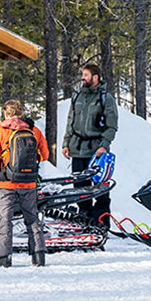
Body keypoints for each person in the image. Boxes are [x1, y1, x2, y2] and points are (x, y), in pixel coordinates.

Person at [0, 99, 49, 268]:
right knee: (32, 218)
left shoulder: (0, 132)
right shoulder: (34, 130)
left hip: (6, 184)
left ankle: (3, 258)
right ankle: (38, 256)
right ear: (22, 113)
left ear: (6, 113)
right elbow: (45, 155)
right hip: (29, 183)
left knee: (5, 220)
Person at [61, 63, 118, 225]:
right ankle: (84, 219)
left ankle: (101, 222)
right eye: (82, 75)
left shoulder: (106, 98)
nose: (82, 78)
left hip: (97, 152)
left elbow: (112, 125)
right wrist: (66, 143)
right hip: (77, 150)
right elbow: (70, 121)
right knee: (80, 189)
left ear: (95, 77)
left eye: (86, 75)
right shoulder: (77, 96)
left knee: (100, 190)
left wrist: (104, 145)